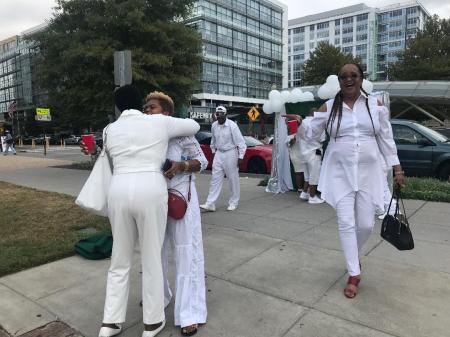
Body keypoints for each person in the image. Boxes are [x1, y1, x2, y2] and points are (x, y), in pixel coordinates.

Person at [285, 64, 405, 299]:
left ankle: (354, 256)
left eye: (354, 75)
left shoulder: (374, 106)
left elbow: (386, 138)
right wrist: (301, 123)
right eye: (344, 77)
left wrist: (397, 169)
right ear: (339, 81)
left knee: (366, 225)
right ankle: (354, 273)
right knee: (346, 222)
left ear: (361, 79)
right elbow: (313, 134)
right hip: (340, 171)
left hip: (368, 172)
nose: (348, 79)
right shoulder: (329, 107)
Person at [97, 84, 200, 337]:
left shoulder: (109, 129)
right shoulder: (158, 123)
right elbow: (194, 126)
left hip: (118, 190)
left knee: (119, 259)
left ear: (119, 107)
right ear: (138, 104)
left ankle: (110, 322)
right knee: (152, 256)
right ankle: (152, 323)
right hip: (150, 190)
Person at [143, 91, 207, 336]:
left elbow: (202, 161)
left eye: (152, 108)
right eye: (145, 108)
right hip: (154, 201)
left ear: (167, 113)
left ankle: (189, 312)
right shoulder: (143, 135)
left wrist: (182, 166)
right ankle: (159, 298)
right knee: (154, 252)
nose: (147, 111)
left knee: (185, 253)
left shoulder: (182, 133)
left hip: (181, 199)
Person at [200, 106, 246, 212]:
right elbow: (213, 141)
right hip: (219, 153)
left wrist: (240, 156)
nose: (219, 117)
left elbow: (241, 143)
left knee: (232, 179)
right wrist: (213, 152)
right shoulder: (214, 126)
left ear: (226, 115)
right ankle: (210, 203)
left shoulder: (232, 126)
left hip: (231, 153)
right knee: (215, 179)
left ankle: (233, 202)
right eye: (217, 114)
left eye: (221, 114)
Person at [297, 110, 325, 204]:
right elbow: (322, 138)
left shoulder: (303, 122)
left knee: (307, 176)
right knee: (314, 175)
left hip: (303, 152)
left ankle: (304, 193)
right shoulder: (317, 123)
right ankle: (312, 197)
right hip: (314, 152)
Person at [284, 122, 305, 195]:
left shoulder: (302, 134)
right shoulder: (289, 137)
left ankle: (305, 189)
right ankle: (300, 189)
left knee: (305, 172)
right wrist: (295, 137)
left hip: (304, 155)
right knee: (298, 172)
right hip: (295, 156)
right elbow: (290, 144)